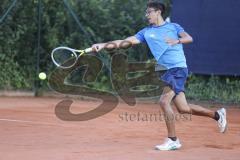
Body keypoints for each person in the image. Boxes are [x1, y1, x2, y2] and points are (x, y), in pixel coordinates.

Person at [91, 1, 227, 151]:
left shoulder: (174, 27)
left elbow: (189, 38)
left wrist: (177, 40)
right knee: (183, 108)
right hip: (167, 71)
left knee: (163, 101)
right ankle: (217, 115)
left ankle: (173, 139)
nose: (146, 15)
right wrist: (103, 45)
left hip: (178, 68)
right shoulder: (145, 32)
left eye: (149, 12)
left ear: (158, 12)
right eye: (146, 12)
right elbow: (125, 41)